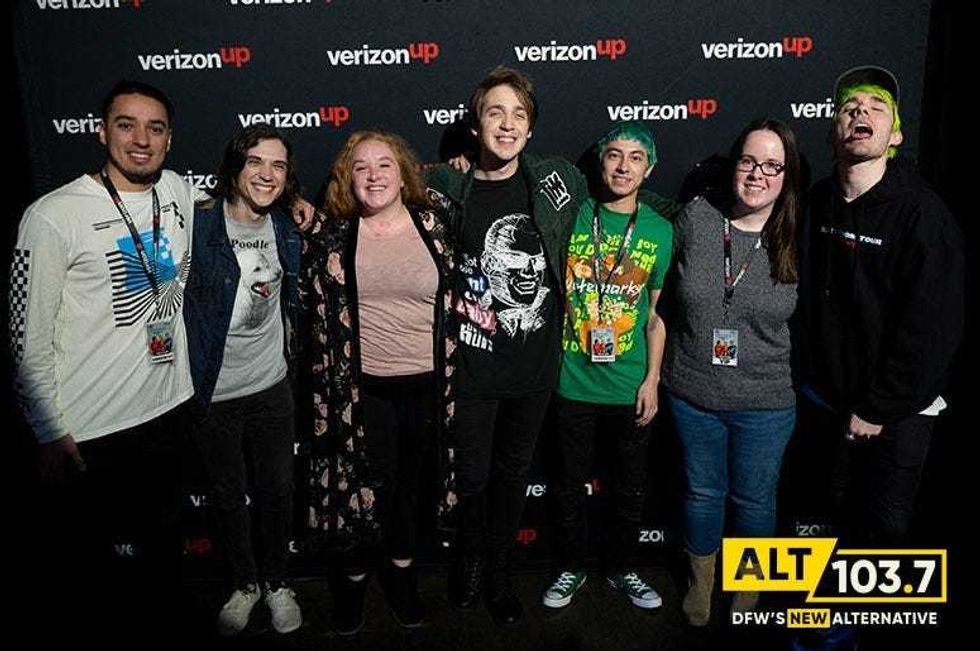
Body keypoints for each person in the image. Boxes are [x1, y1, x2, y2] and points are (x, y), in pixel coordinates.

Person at [10, 80, 198, 641]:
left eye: (155, 127)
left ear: (169, 138)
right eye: (126, 124)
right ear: (101, 131)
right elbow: (25, 339)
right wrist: (48, 431)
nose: (141, 140)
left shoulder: (178, 191)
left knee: (165, 562)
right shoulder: (52, 216)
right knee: (97, 584)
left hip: (170, 409)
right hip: (91, 432)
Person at [426, 65, 589, 625]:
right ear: (475, 124)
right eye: (495, 111)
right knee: (472, 478)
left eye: (519, 114)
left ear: (531, 128)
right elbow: (379, 191)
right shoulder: (448, 185)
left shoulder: (558, 180)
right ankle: (468, 563)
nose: (508, 123)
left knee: (513, 475)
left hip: (534, 369)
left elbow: (623, 198)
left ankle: (498, 574)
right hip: (471, 369)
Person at [795, 65, 963, 548]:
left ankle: (871, 621)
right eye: (849, 108)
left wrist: (877, 407)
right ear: (834, 132)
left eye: (875, 107)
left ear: (896, 135)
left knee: (883, 529)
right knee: (830, 517)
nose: (860, 112)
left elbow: (931, 330)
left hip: (898, 413)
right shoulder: (821, 201)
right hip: (830, 403)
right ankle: (826, 619)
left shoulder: (923, 215)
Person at [305, 130, 457, 633]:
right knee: (361, 491)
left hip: (429, 385)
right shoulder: (332, 235)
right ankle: (351, 587)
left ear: (403, 172)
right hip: (361, 389)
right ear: (348, 178)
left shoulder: (433, 224)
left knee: (411, 489)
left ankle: (401, 580)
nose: (373, 176)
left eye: (384, 165)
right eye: (361, 167)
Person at [660, 118, 803, 626]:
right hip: (692, 392)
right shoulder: (696, 219)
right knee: (702, 492)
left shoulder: (798, 232)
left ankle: (751, 582)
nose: (758, 174)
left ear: (786, 174)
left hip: (766, 403)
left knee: (755, 499)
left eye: (772, 165)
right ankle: (702, 581)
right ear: (733, 164)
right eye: (748, 161)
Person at [541, 121, 672, 611]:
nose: (623, 166)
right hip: (572, 381)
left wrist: (652, 380)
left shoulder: (659, 230)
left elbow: (656, 317)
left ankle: (622, 568)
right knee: (570, 485)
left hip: (630, 384)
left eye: (635, 158)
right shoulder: (573, 217)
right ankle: (572, 567)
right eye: (614, 155)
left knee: (630, 488)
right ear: (601, 164)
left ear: (649, 168)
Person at [183, 124, 303, 636]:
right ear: (235, 167)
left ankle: (277, 582)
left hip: (272, 386)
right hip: (213, 393)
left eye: (277, 165)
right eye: (256, 162)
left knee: (277, 491)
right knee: (229, 495)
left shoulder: (287, 227)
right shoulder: (196, 224)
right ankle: (245, 583)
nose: (267, 174)